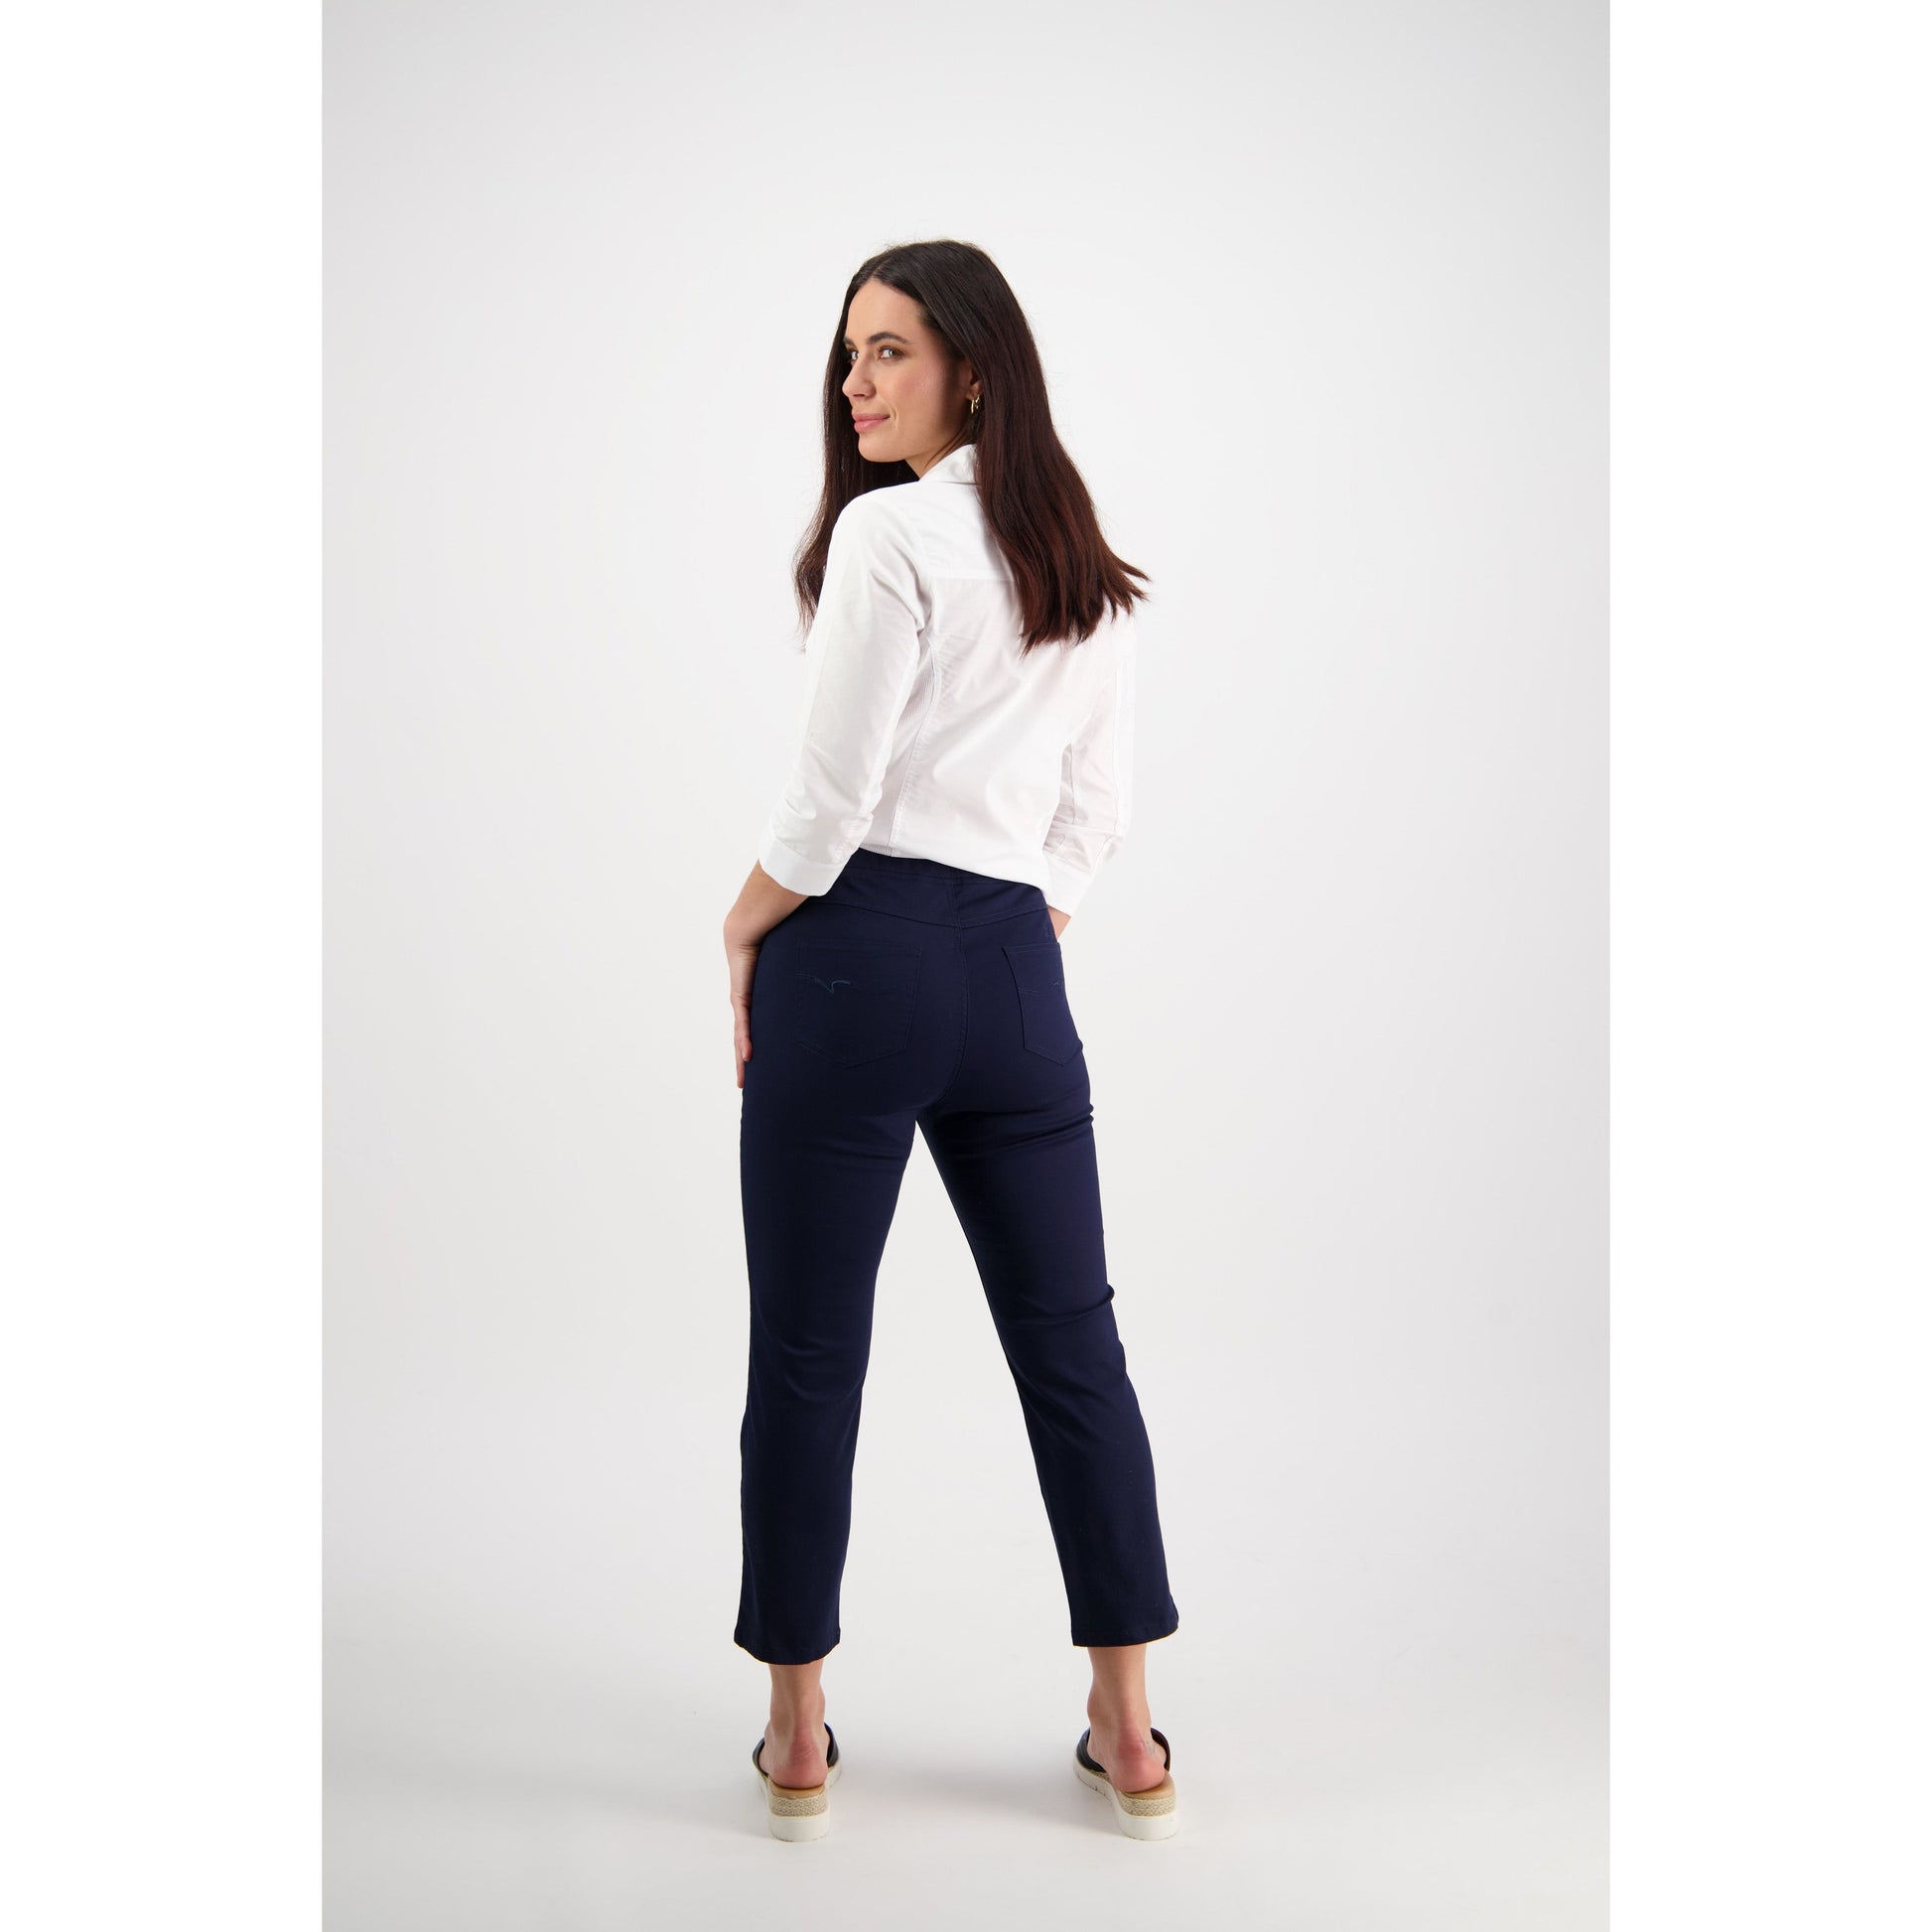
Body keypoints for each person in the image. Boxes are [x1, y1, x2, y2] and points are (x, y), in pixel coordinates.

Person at [722, 240, 1180, 1842]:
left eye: (891, 350)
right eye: (849, 351)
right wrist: (1003, 936)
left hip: (852, 956)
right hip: (1011, 974)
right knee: (1073, 1343)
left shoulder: (891, 533)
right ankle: (1127, 1729)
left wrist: (741, 924)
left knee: (807, 1348)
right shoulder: (1081, 566)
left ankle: (796, 1736)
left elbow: (830, 797)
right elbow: (1092, 818)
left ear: (972, 369)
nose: (855, 381)